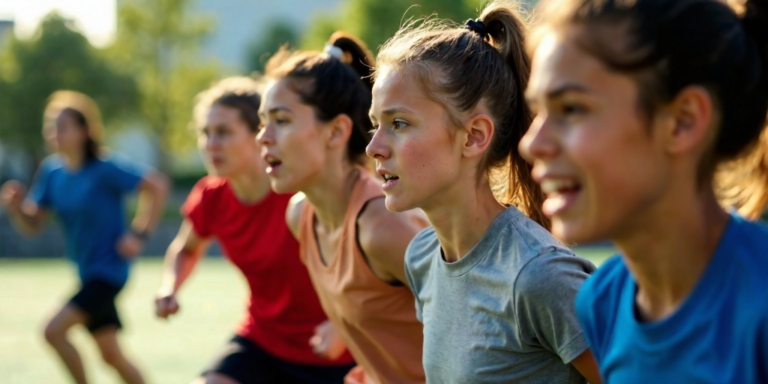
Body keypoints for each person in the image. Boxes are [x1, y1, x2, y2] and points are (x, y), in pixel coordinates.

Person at [520, 0, 768, 382]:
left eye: (571, 108)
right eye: (538, 111)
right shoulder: (601, 302)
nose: (532, 145)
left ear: (682, 122)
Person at [365, 1, 601, 383]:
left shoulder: (539, 276)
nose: (374, 146)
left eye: (399, 123)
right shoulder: (421, 257)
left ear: (473, 136)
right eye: (375, 123)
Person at [154, 77, 356, 384]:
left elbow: (366, 270)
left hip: (334, 350)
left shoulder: (301, 193)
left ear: (258, 135)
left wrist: (342, 325)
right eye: (205, 133)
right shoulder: (211, 196)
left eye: (223, 132)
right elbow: (187, 248)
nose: (211, 144)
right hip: (263, 342)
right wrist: (170, 287)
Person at [258, 32, 428, 384]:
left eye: (282, 120)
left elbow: (474, 321)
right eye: (263, 121)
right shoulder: (300, 214)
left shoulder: (382, 226)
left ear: (336, 132)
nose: (262, 137)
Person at [0, 90, 168, 384]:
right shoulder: (52, 172)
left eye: (62, 126)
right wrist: (16, 208)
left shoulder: (105, 168)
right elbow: (33, 225)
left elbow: (157, 186)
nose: (54, 133)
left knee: (53, 331)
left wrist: (138, 234)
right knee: (111, 355)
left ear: (84, 130)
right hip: (87, 273)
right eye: (50, 126)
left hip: (109, 273)